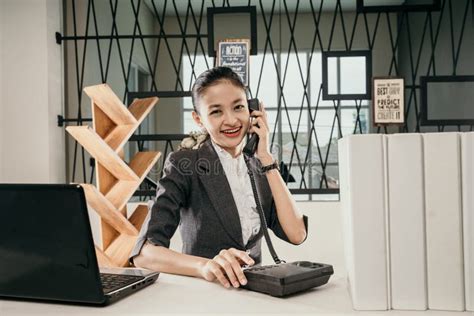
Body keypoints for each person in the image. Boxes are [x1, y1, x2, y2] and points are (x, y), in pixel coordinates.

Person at [130, 66, 308, 289]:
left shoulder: (260, 165)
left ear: (253, 110)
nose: (231, 120)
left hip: (257, 295)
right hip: (206, 294)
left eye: (238, 107)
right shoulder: (185, 164)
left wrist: (265, 156)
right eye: (216, 111)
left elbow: (297, 234)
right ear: (199, 119)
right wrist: (205, 266)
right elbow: (144, 254)